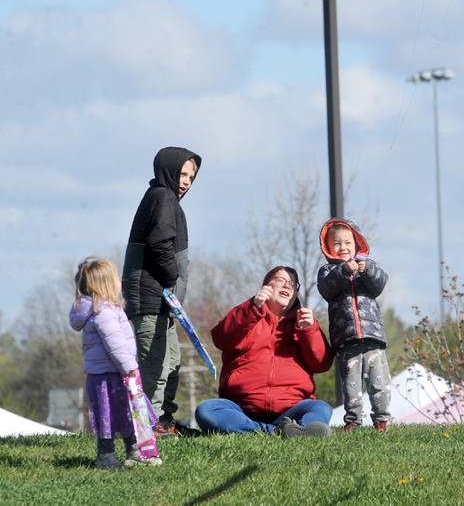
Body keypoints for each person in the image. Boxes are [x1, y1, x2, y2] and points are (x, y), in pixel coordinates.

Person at [195, 266, 334, 437]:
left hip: (291, 408)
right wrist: (252, 308)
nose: (287, 286)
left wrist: (308, 330)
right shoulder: (247, 313)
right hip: (241, 408)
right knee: (207, 410)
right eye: (280, 280)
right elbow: (221, 339)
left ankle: (289, 429)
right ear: (266, 286)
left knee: (320, 407)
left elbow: (321, 363)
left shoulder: (304, 322)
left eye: (292, 284)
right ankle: (284, 431)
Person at [121, 146, 201, 436]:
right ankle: (147, 428)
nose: (186, 182)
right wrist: (171, 278)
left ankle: (163, 421)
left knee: (172, 362)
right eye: (182, 174)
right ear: (167, 170)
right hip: (151, 297)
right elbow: (159, 244)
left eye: (191, 177)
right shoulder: (163, 197)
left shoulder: (166, 199)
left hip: (164, 302)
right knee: (154, 364)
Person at [69, 258, 162, 469]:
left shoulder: (104, 309)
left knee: (127, 412)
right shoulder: (104, 312)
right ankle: (106, 455)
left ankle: (133, 450)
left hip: (112, 373)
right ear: (106, 284)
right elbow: (115, 344)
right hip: (109, 375)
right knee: (109, 416)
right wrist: (129, 367)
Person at [317, 218, 391, 431]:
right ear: (328, 247)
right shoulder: (327, 271)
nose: (343, 248)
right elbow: (327, 290)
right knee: (351, 383)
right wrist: (344, 271)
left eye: (348, 243)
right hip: (346, 338)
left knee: (379, 380)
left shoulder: (368, 265)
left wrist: (365, 270)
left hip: (373, 336)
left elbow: (379, 284)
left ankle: (382, 418)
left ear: (357, 244)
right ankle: (353, 419)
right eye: (337, 243)